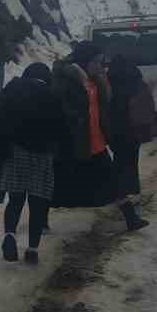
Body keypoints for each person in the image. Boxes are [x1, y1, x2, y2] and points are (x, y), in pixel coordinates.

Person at [0, 63, 67, 263]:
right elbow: (62, 128)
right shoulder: (52, 96)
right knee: (37, 203)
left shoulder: (14, 89)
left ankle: (9, 235)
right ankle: (32, 250)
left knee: (15, 201)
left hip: (16, 153)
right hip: (42, 156)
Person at [51, 41, 122, 220]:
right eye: (96, 62)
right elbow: (61, 109)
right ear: (84, 61)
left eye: (101, 62)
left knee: (112, 179)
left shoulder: (95, 81)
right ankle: (41, 222)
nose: (100, 66)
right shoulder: (66, 82)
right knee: (57, 187)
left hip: (95, 140)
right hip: (73, 142)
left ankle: (130, 217)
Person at [107, 51, 156, 232]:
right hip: (134, 131)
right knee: (130, 162)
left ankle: (123, 194)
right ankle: (131, 192)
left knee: (119, 162)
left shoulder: (109, 81)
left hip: (117, 132)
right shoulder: (135, 78)